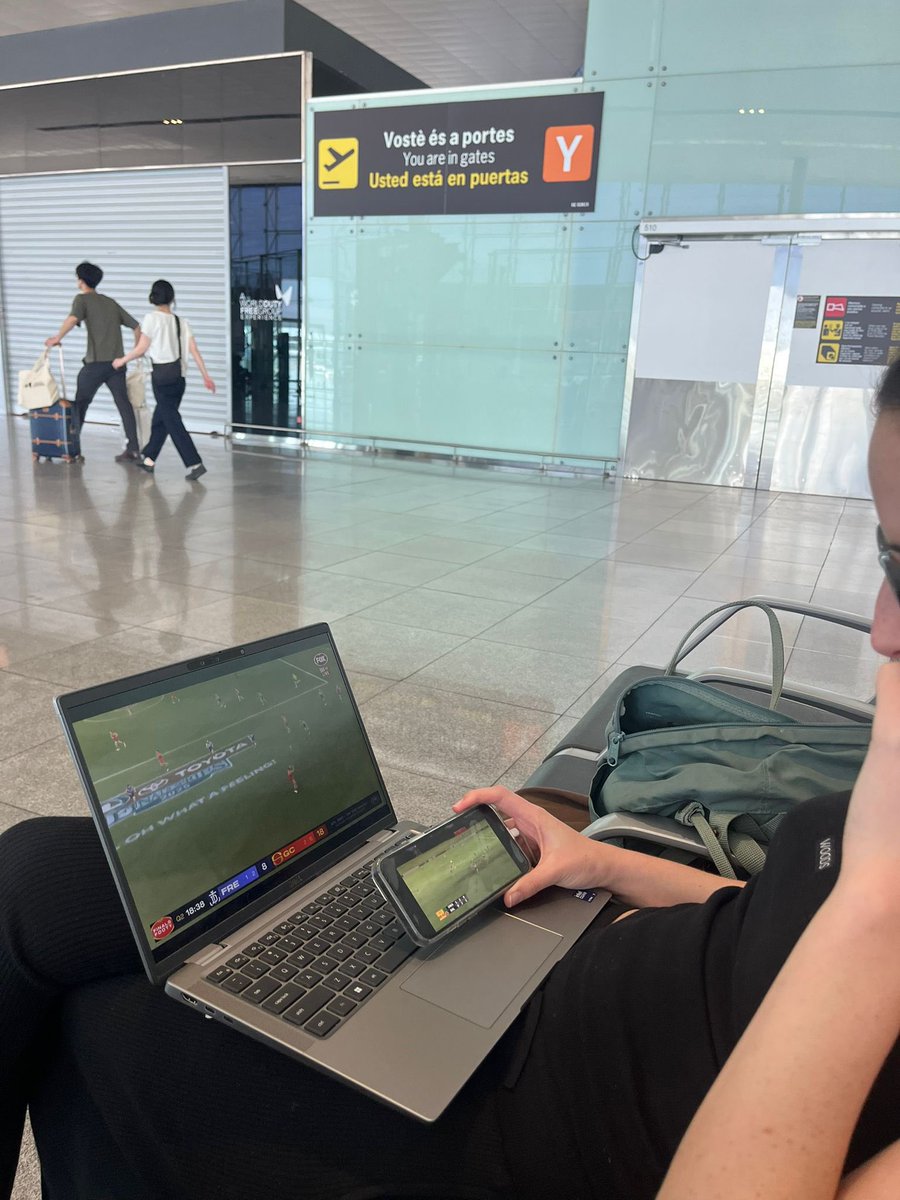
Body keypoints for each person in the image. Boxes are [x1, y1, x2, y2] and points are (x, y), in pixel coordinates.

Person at [1, 364, 899, 1200]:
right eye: (884, 554)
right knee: (33, 869)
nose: (880, 631)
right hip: (563, 955)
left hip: (525, 1113)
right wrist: (607, 864)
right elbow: (762, 923)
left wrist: (876, 912)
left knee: (97, 1027)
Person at [112, 280, 215, 482]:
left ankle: (195, 463)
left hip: (161, 376)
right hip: (179, 378)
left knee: (172, 420)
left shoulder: (152, 319)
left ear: (153, 297)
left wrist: (122, 360)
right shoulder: (181, 322)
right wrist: (206, 376)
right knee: (161, 418)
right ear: (172, 298)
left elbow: (141, 348)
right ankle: (149, 459)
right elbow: (194, 350)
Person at [45, 261, 143, 462]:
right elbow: (137, 326)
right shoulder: (110, 302)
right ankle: (133, 449)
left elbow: (72, 320)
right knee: (124, 405)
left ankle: (71, 447)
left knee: (80, 404)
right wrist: (134, 352)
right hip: (117, 364)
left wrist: (57, 338)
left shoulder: (81, 300)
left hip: (96, 364)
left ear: (81, 280)